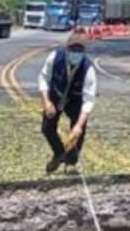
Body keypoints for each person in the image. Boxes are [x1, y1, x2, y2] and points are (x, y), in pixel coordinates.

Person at [38, 32, 97, 175]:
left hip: (75, 100)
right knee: (47, 127)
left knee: (78, 131)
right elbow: (43, 78)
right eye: (73, 50)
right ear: (67, 49)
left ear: (84, 51)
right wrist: (46, 102)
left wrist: (78, 126)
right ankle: (59, 153)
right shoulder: (55, 57)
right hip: (55, 96)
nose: (76, 53)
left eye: (79, 50)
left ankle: (71, 162)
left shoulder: (88, 69)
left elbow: (89, 100)